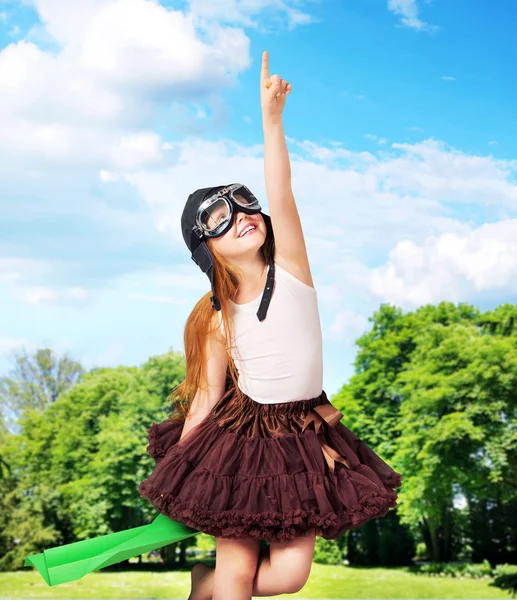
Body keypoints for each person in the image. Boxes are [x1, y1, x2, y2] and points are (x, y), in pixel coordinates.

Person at [137, 51, 402, 600]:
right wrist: (184, 469)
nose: (242, 218)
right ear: (204, 247)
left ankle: (201, 583)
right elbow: (207, 396)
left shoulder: (294, 270)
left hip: (304, 436)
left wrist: (272, 121)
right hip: (242, 439)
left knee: (288, 577)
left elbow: (282, 192)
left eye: (244, 205)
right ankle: (216, 580)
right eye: (219, 219)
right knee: (237, 573)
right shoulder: (214, 317)